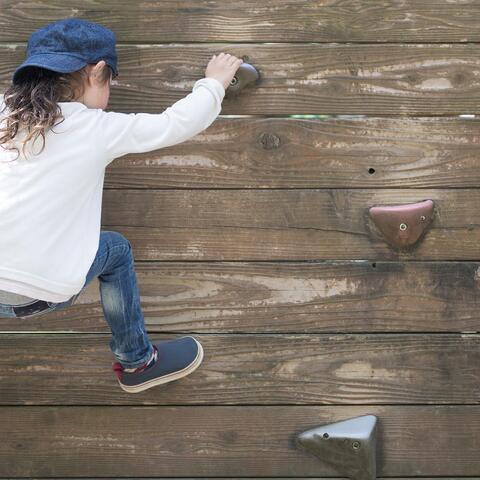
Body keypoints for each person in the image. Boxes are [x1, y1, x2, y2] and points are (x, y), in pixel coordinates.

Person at [0, 18, 243, 393]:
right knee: (115, 249)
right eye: (111, 80)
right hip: (37, 293)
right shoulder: (97, 128)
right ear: (97, 72)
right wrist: (214, 82)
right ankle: (138, 361)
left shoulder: (3, 111)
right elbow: (175, 123)